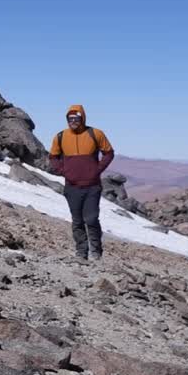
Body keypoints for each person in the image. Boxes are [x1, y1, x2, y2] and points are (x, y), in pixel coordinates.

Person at [48, 104, 114, 260]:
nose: (73, 121)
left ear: (82, 118)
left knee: (91, 219)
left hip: (92, 186)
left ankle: (96, 252)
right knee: (77, 221)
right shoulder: (61, 136)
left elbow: (109, 153)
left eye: (76, 118)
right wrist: (63, 171)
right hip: (72, 187)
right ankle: (81, 252)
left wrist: (97, 170)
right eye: (70, 119)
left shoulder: (95, 134)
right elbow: (53, 157)